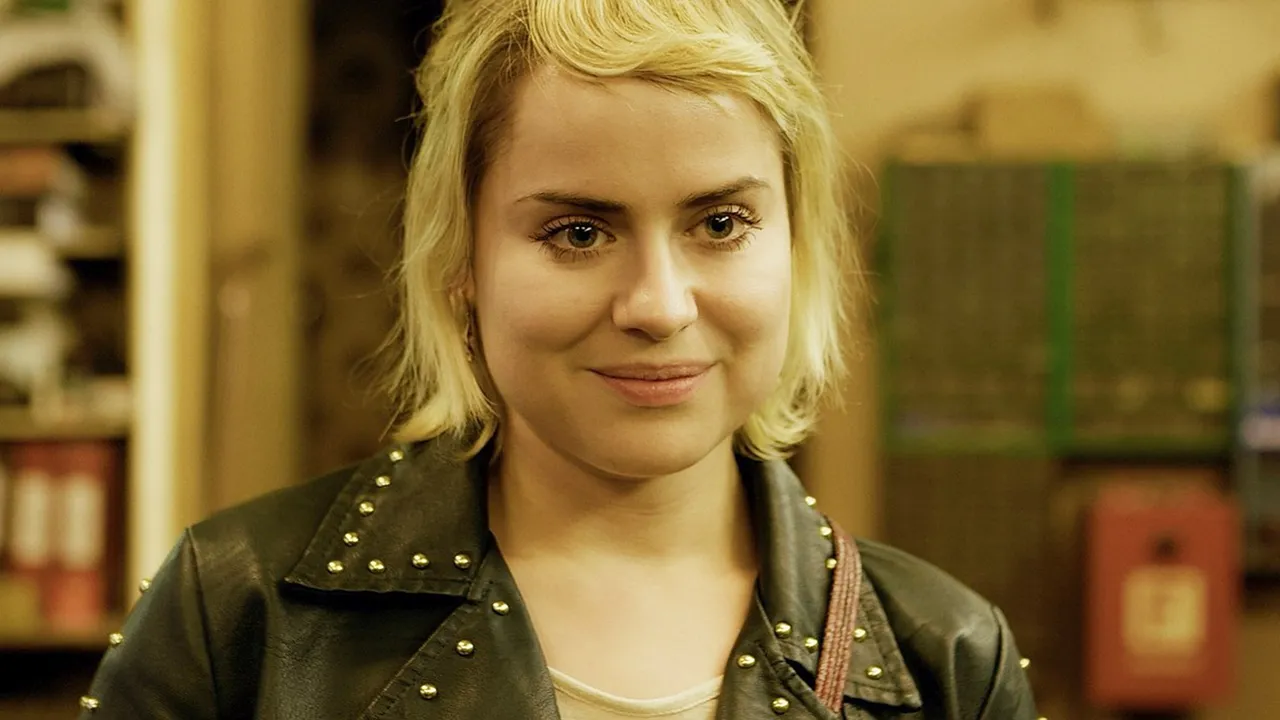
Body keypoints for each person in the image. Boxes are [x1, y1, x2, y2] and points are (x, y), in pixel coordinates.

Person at [77, 0, 1039, 718]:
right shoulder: (235, 614)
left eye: (720, 223)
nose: (658, 305)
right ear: (461, 260)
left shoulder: (947, 659)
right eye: (579, 232)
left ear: (797, 245)